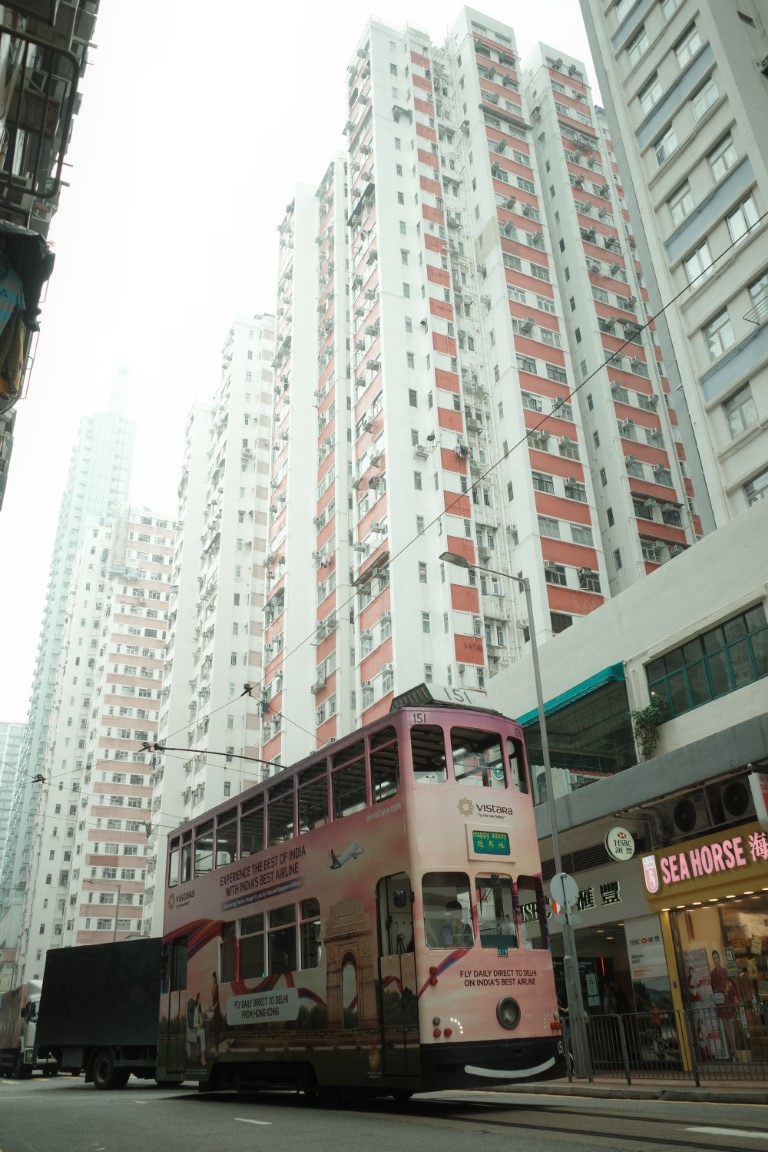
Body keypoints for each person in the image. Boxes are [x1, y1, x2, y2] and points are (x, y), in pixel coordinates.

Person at [710, 949, 739, 1056]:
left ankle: (734, 1049)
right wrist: (715, 994)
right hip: (720, 1002)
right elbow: (711, 988)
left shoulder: (724, 971)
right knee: (726, 1025)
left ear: (719, 958)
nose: (715, 960)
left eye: (717, 958)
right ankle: (733, 1048)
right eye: (714, 958)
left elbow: (734, 983)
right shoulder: (712, 973)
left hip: (726, 1000)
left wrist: (730, 993)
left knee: (730, 1024)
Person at [193, 992, 206, 1066]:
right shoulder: (195, 1009)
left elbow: (202, 1021)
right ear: (197, 999)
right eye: (199, 998)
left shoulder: (201, 1010)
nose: (200, 999)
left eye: (201, 998)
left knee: (203, 1031)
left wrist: (201, 1023)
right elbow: (194, 1023)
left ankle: (203, 1056)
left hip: (200, 1029)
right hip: (196, 1030)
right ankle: (203, 1057)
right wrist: (198, 1026)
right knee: (202, 1032)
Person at [211, 972, 222, 1057]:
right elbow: (213, 1001)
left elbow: (217, 1001)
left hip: (217, 1010)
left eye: (213, 978)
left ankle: (217, 1051)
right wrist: (210, 1007)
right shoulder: (212, 987)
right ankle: (216, 1051)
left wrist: (213, 1008)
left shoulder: (216, 986)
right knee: (215, 1031)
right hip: (215, 1009)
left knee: (217, 1031)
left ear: (215, 978)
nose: (212, 979)